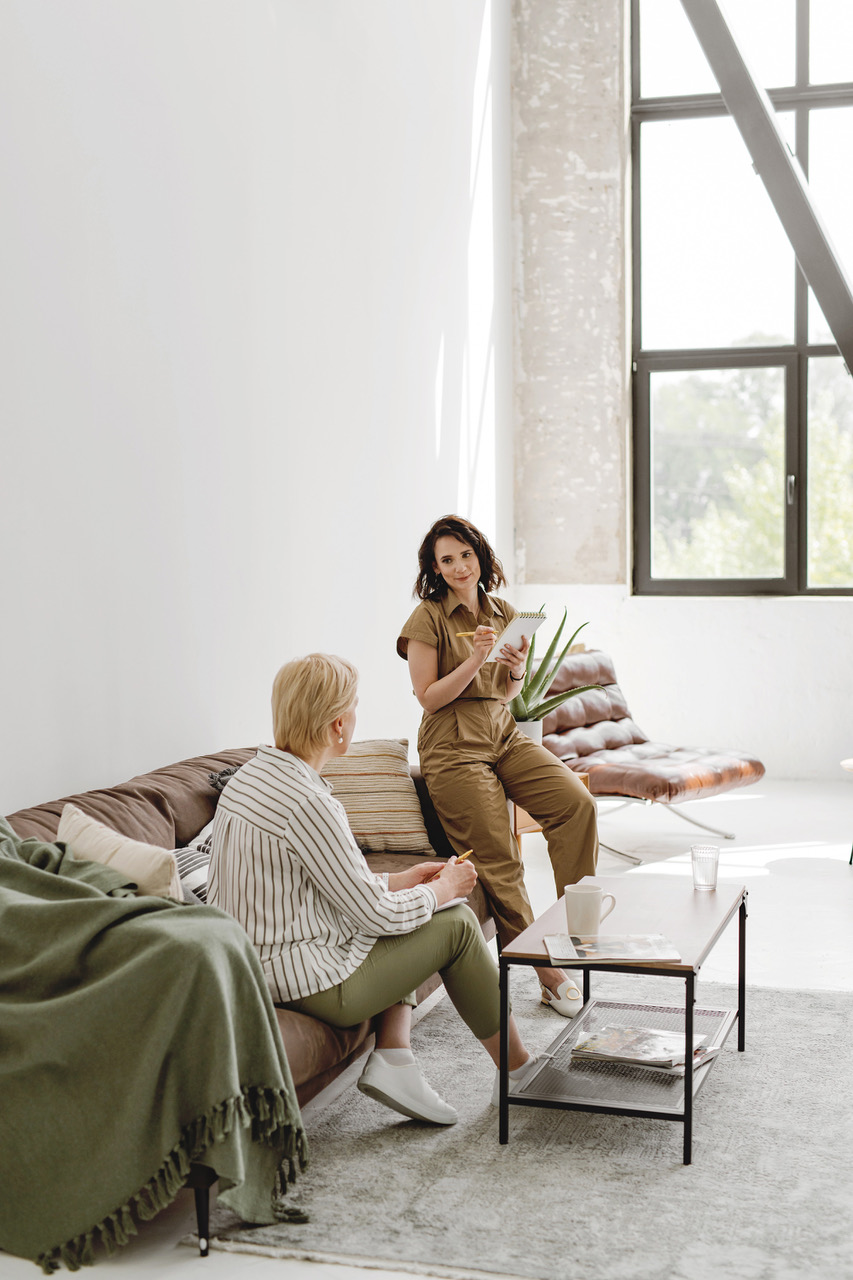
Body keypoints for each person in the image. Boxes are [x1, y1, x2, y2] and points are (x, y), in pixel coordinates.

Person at [207, 652, 538, 1127]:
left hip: (253, 962)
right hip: (303, 979)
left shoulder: (250, 778)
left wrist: (400, 881)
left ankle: (395, 1058)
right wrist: (444, 888)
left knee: (412, 906)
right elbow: (377, 917)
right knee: (458, 925)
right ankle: (518, 1072)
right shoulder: (309, 803)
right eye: (355, 707)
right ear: (338, 725)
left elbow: (326, 885)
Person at [397, 514, 599, 1017]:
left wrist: (514, 669)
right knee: (500, 858)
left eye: (466, 555)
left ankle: (578, 935)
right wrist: (474, 659)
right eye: (447, 560)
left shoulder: (502, 610)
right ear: (436, 569)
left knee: (577, 804)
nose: (460, 566)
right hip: (452, 745)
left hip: (502, 733)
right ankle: (546, 974)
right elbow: (428, 698)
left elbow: (507, 694)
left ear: (480, 557)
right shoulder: (428, 618)